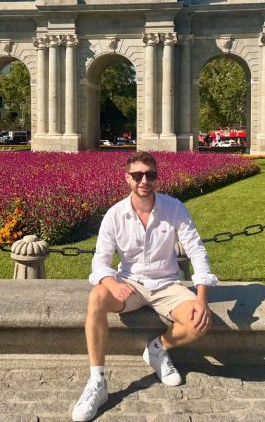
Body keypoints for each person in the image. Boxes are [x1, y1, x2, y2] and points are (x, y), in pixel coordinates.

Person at [71, 151, 217, 422]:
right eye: (137, 175)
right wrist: (111, 284)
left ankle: (158, 349)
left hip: (167, 285)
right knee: (96, 299)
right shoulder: (115, 214)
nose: (144, 180)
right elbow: (100, 260)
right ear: (127, 178)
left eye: (150, 174)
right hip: (130, 284)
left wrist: (201, 297)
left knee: (199, 322)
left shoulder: (174, 208)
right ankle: (97, 381)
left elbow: (197, 252)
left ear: (157, 177)